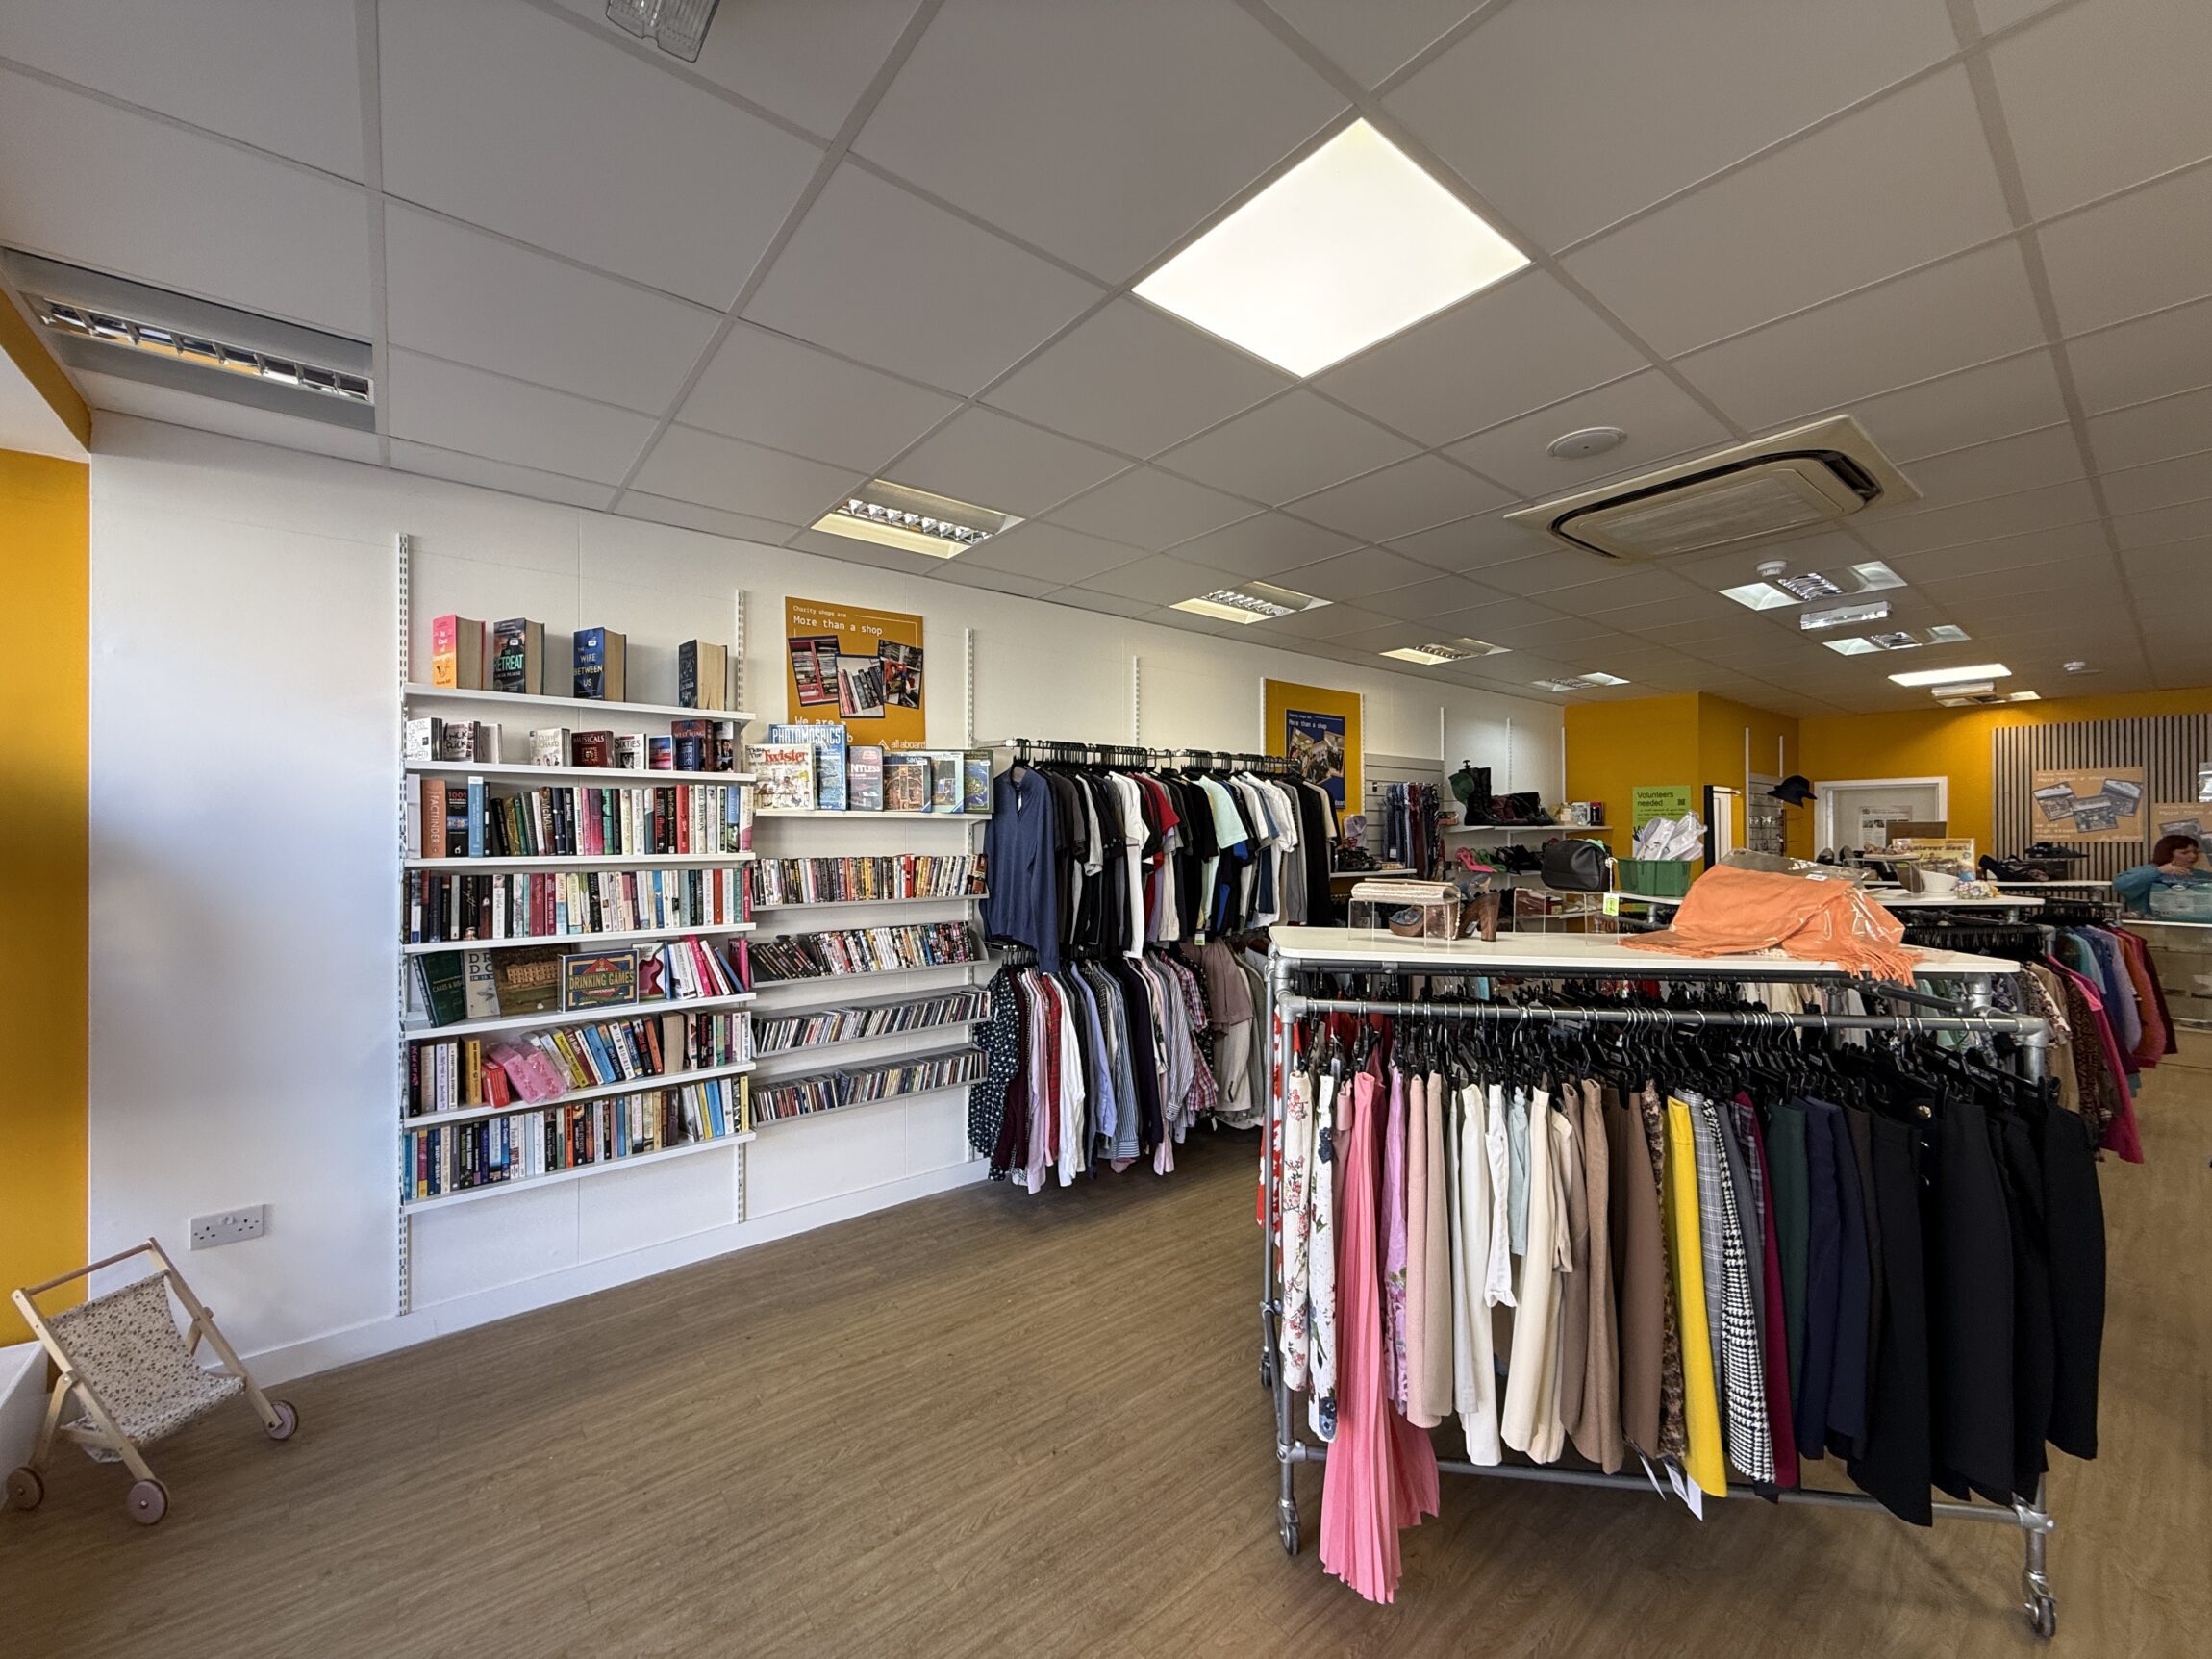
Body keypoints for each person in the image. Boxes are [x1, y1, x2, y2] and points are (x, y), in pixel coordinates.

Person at [2113, 834, 2212, 913]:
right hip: (2154, 925)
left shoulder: (2203, 876)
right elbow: (2120, 884)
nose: (2193, 856)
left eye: (2196, 852)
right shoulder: (2150, 871)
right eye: (2185, 853)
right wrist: (2159, 871)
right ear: (2167, 853)